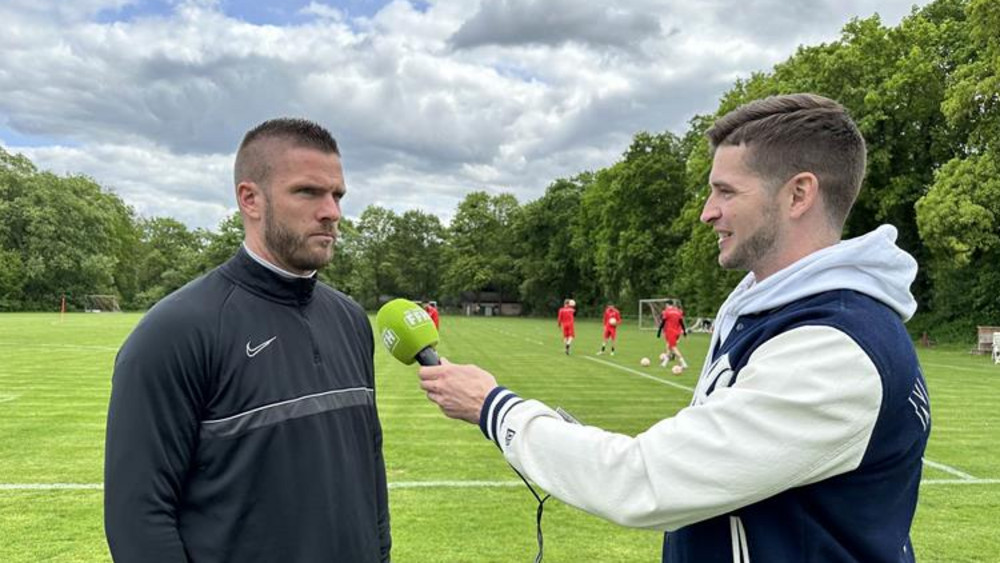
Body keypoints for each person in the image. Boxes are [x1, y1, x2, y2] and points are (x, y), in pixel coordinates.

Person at [417, 94, 930, 561]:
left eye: (725, 191)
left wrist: (493, 407)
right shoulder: (773, 311)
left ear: (798, 195)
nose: (708, 213)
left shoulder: (834, 349)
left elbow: (642, 481)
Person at [105, 118, 391, 562]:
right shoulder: (174, 333)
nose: (332, 212)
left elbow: (369, 471)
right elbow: (138, 516)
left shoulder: (351, 321)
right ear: (250, 199)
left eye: (337, 195)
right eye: (308, 192)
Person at [656, 303, 688, 370]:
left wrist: (659, 331)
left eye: (666, 306)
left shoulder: (667, 312)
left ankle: (683, 363)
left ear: (668, 305)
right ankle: (664, 363)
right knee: (668, 346)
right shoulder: (678, 312)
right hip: (677, 332)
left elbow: (663, 322)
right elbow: (681, 322)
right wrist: (684, 331)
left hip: (670, 332)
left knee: (673, 348)